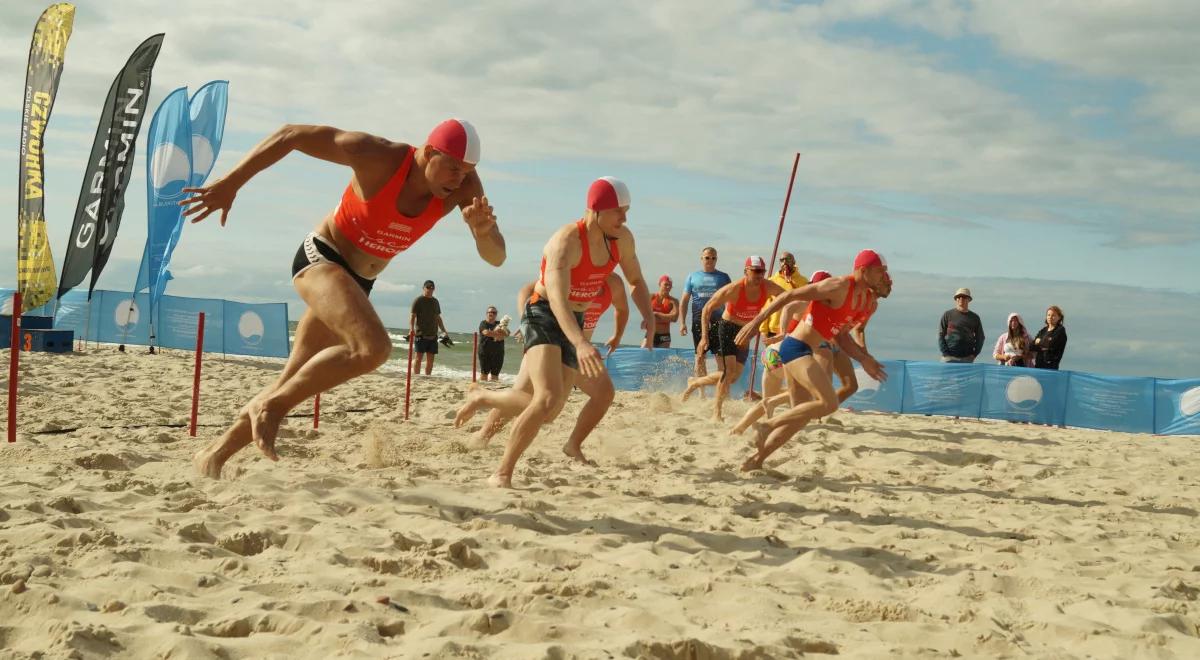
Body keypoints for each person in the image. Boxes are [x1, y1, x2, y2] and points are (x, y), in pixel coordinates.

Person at [183, 118, 504, 479]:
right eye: (453, 168)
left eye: (467, 173)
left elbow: (497, 257)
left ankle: (213, 456)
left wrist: (482, 232)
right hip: (322, 259)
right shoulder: (377, 156)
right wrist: (231, 184)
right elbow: (292, 135)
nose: (459, 179)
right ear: (429, 152)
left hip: (358, 282)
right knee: (374, 349)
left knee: (290, 381)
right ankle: (270, 408)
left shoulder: (463, 188)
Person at [456, 177, 653, 487]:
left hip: (573, 317)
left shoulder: (622, 239)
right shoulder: (566, 241)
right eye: (619, 211)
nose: (625, 218)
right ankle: (502, 473)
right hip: (545, 312)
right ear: (596, 209)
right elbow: (558, 298)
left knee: (549, 410)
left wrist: (649, 318)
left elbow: (636, 281)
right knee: (545, 398)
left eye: (626, 211)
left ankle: (483, 397)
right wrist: (580, 342)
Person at [733, 250, 889, 472]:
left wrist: (864, 358)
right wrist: (755, 323)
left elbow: (842, 336)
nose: (882, 276)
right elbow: (788, 297)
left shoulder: (861, 298)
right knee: (828, 403)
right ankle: (766, 425)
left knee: (800, 418)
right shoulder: (838, 286)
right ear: (863, 270)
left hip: (805, 350)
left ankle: (756, 460)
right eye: (879, 272)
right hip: (796, 348)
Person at [467, 273, 628, 462]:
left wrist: (617, 335)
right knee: (524, 392)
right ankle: (483, 435)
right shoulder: (575, 267)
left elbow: (622, 308)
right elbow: (527, 290)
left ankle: (573, 445)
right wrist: (528, 323)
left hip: (578, 352)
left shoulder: (613, 282)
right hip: (547, 342)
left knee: (604, 393)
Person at [681, 256, 786, 421]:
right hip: (727, 327)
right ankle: (717, 413)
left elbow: (788, 299)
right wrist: (704, 337)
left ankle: (695, 382)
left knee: (734, 377)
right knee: (728, 372)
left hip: (746, 331)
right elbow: (707, 309)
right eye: (755, 271)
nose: (759, 275)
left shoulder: (768, 286)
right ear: (746, 271)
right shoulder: (734, 289)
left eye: (762, 272)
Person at [678, 247, 732, 383]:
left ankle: (722, 388)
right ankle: (700, 391)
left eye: (713, 258)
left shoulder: (724, 277)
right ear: (702, 259)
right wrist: (682, 322)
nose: (710, 260)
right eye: (707, 257)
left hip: (719, 321)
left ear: (716, 259)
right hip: (698, 320)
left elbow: (732, 299)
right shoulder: (692, 276)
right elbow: (684, 301)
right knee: (700, 355)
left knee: (720, 356)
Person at [759, 252, 808, 338]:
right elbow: (765, 306)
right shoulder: (772, 281)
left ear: (794, 262)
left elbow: (806, 305)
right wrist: (763, 330)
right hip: (773, 330)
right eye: (782, 260)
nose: (784, 262)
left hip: (794, 330)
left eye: (788, 259)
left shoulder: (803, 282)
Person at [411, 280, 449, 375]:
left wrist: (444, 331)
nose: (430, 289)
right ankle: (416, 376)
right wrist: (411, 329)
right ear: (423, 288)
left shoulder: (435, 301)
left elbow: (438, 317)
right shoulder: (418, 300)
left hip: (433, 335)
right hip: (421, 334)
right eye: (428, 287)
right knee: (418, 358)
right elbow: (412, 316)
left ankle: (427, 377)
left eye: (432, 288)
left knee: (430, 361)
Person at [939, 287, 984, 363]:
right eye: (958, 297)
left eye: (963, 297)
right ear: (956, 299)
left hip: (967, 358)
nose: (960, 299)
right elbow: (941, 335)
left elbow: (980, 337)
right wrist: (945, 353)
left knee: (967, 375)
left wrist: (974, 354)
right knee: (946, 375)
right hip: (949, 357)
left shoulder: (975, 317)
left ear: (968, 300)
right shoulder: (947, 315)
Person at [477, 305, 508, 381]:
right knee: (484, 374)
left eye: (494, 312)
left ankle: (493, 391)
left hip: (498, 353)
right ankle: (483, 390)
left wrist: (502, 333)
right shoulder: (483, 323)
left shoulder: (500, 323)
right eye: (490, 312)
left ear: (496, 314)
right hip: (485, 352)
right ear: (486, 313)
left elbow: (507, 333)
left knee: (495, 375)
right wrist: (499, 334)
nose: (491, 314)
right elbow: (486, 332)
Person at [1031, 305, 1067, 369]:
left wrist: (1039, 342)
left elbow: (1050, 344)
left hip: (1051, 367)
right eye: (1048, 315)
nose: (1050, 317)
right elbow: (1031, 346)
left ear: (1059, 317)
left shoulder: (1060, 330)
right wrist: (1044, 346)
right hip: (1038, 365)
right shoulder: (1043, 330)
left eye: (1053, 315)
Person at [647, 275, 678, 348]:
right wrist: (666, 318)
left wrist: (656, 314)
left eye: (670, 285)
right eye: (666, 284)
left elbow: (674, 318)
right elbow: (647, 315)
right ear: (659, 284)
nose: (668, 287)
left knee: (662, 359)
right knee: (643, 355)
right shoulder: (651, 297)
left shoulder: (674, 301)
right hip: (650, 334)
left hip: (664, 337)